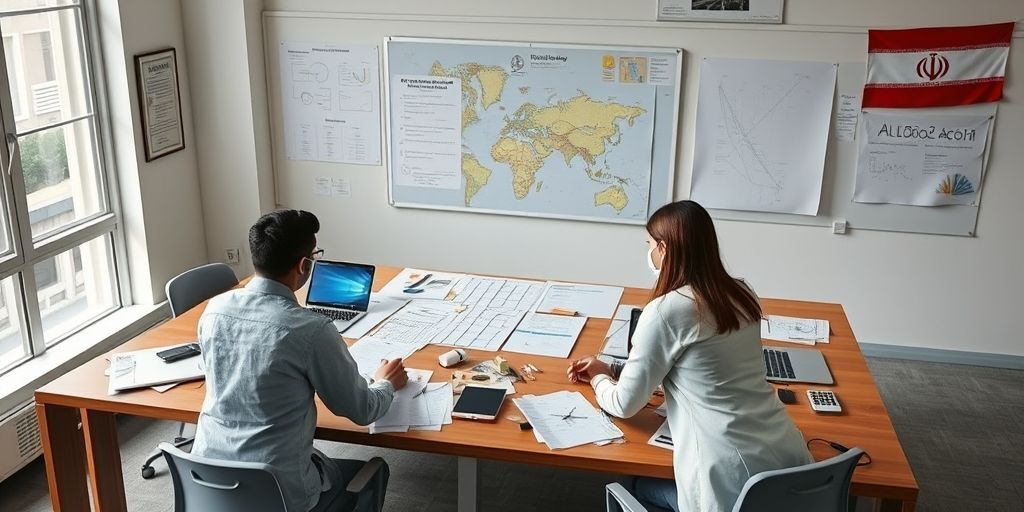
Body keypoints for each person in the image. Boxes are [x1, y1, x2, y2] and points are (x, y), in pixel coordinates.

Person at [567, 200, 812, 512]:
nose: (648, 253)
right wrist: (614, 366)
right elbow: (705, 366)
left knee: (632, 481)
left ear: (664, 248)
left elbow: (624, 405)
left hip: (732, 480)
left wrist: (600, 377)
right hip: (787, 456)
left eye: (649, 244)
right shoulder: (741, 292)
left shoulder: (668, 310)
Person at [192, 209, 408, 512]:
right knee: (372, 470)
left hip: (207, 481)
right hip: (278, 494)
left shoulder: (214, 310)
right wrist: (386, 382)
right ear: (304, 265)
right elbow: (362, 410)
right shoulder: (309, 329)